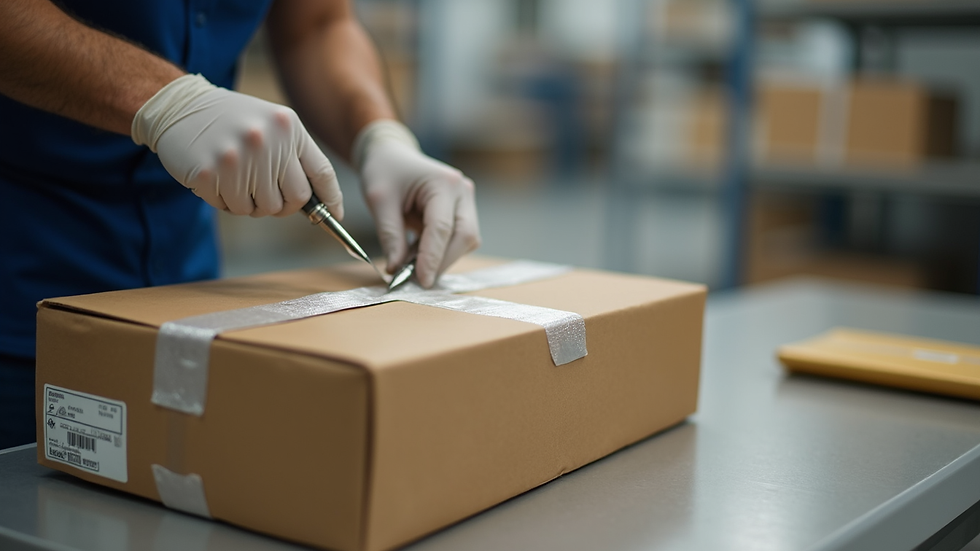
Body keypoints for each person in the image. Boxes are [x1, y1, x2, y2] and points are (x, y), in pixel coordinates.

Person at [0, 0, 481, 449]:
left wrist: (380, 136)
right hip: (23, 278)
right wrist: (166, 101)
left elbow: (317, 26)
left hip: (187, 295)